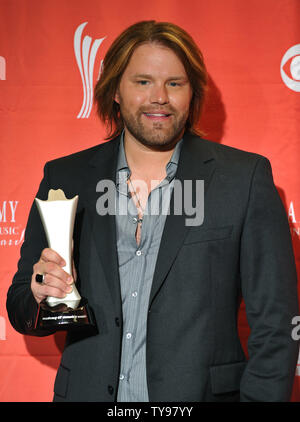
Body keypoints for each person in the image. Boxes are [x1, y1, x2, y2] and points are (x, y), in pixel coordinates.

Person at [7, 20, 299, 402]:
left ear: (192, 93)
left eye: (174, 83)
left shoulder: (242, 180)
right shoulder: (67, 176)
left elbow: (277, 326)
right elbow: (20, 306)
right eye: (142, 82)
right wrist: (41, 292)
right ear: (115, 90)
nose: (159, 97)